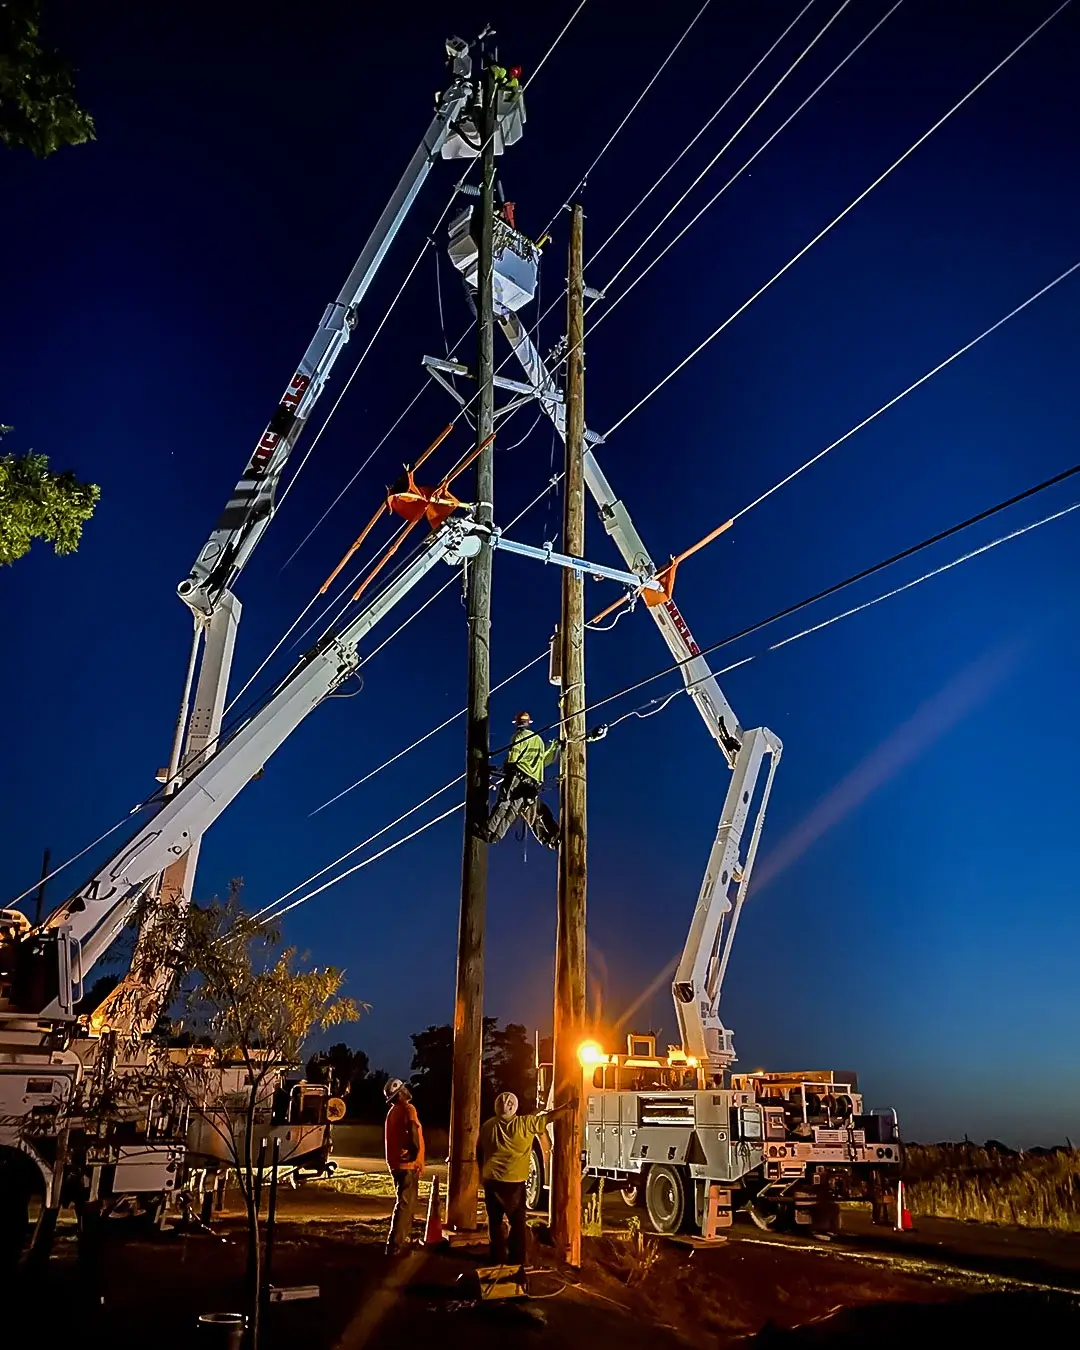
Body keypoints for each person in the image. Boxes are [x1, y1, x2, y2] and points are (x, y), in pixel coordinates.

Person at [476, 1091, 575, 1266]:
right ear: (515, 1107)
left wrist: (480, 1173)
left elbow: (479, 1150)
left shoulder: (487, 1126)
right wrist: (567, 1107)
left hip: (491, 1181)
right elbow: (549, 1117)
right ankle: (516, 1260)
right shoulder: (526, 1124)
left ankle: (496, 1258)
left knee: (495, 1222)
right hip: (514, 1183)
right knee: (517, 1223)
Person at [484, 711, 559, 848]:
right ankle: (496, 836)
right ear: (528, 723)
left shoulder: (519, 736)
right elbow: (541, 761)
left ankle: (489, 829)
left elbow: (513, 760)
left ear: (517, 723)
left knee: (504, 803)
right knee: (513, 810)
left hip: (518, 777)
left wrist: (503, 768)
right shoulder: (539, 740)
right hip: (532, 784)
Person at [383, 1078, 424, 1256]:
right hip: (407, 1164)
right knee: (405, 1204)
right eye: (404, 1088)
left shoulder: (393, 1112)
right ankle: (395, 1245)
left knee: (406, 1203)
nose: (407, 1090)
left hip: (396, 1163)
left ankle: (401, 1241)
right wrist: (415, 1153)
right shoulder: (408, 1109)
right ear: (399, 1094)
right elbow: (412, 1129)